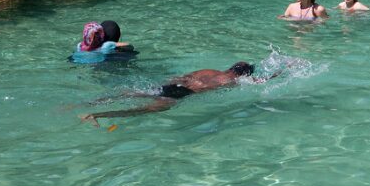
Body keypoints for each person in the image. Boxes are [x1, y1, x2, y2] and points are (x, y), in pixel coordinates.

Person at [79, 62, 278, 127]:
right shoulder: (233, 81)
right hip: (182, 94)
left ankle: (89, 104)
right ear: (242, 74)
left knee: (132, 93)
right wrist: (281, 72)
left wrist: (167, 84)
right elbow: (261, 82)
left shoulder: (208, 71)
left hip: (171, 85)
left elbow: (181, 76)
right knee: (142, 111)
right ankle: (96, 116)